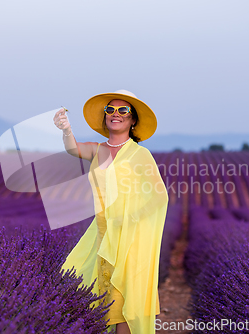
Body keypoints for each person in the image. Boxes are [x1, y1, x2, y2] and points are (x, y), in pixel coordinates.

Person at [53, 90, 168, 334]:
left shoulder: (140, 155)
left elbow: (159, 196)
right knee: (100, 296)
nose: (115, 114)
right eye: (110, 109)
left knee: (123, 298)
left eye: (123, 110)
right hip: (103, 233)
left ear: (133, 120)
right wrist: (65, 130)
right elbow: (73, 149)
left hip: (130, 237)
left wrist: (132, 218)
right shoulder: (98, 150)